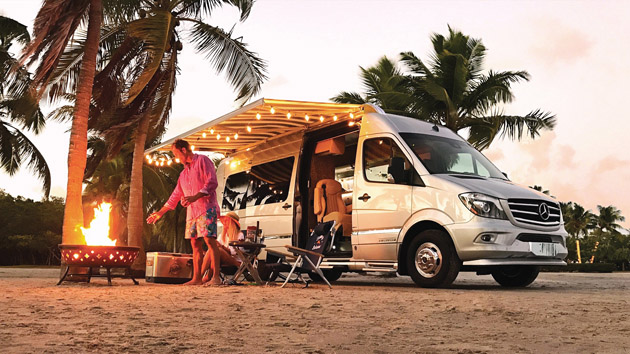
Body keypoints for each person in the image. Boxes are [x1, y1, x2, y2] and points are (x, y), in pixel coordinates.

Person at [146, 139, 222, 285]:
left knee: (209, 241)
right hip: (192, 212)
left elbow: (212, 182)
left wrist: (195, 196)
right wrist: (160, 212)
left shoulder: (203, 161)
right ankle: (197, 278)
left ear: (183, 150)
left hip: (206, 208)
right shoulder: (183, 174)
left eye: (175, 154)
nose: (176, 158)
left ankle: (216, 277)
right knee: (194, 244)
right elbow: (175, 195)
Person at [202, 211, 243, 283]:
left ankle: (202, 275)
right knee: (212, 250)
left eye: (226, 221)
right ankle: (204, 276)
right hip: (222, 260)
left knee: (217, 250)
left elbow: (234, 253)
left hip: (236, 262)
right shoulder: (222, 235)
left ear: (231, 223)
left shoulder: (239, 235)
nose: (224, 223)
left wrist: (221, 246)